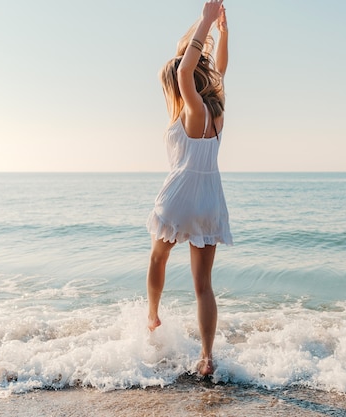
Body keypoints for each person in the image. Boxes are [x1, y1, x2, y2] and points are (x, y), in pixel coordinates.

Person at [146, 0, 231, 377]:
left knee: (158, 259)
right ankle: (207, 356)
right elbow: (220, 71)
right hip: (211, 200)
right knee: (203, 286)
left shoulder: (192, 109)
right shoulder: (217, 109)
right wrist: (223, 33)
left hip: (180, 196)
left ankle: (152, 317)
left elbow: (184, 73)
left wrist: (205, 21)